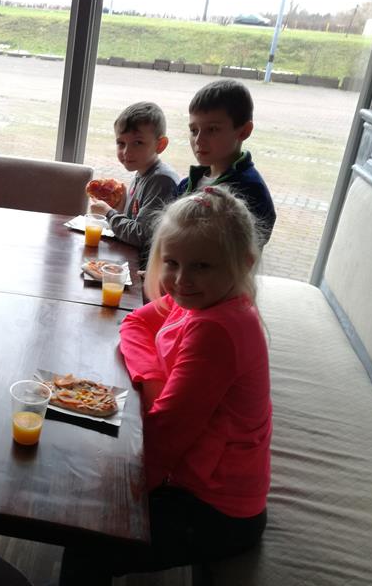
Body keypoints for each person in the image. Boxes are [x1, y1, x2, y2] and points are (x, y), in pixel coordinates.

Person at [58, 186, 271, 585]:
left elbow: (167, 436)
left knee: (87, 538)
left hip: (216, 508)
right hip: (195, 477)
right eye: (171, 263)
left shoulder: (217, 329)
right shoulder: (201, 300)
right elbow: (135, 323)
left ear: (243, 263)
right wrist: (155, 381)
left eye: (202, 266)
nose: (181, 280)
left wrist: (114, 491)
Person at [177, 78, 276, 244]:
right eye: (194, 130)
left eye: (212, 129)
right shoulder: (186, 185)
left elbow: (246, 250)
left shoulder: (250, 191)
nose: (199, 140)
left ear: (244, 131)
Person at [89, 101, 179, 267]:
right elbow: (134, 221)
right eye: (121, 143)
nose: (126, 152)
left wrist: (109, 213)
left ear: (160, 145)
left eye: (138, 143)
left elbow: (141, 235)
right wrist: (120, 208)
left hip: (147, 270)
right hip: (131, 260)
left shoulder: (161, 180)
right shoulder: (142, 172)